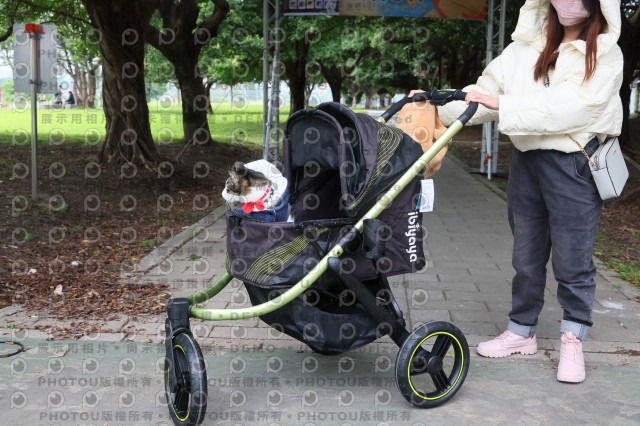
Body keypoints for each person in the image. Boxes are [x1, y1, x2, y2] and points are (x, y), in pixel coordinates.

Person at [411, 0, 623, 383]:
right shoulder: (524, 48)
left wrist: (503, 105)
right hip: (527, 162)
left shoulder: (606, 54)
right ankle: (521, 331)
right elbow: (483, 94)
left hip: (574, 164)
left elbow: (573, 109)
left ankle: (573, 338)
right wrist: (435, 103)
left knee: (573, 260)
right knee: (526, 256)